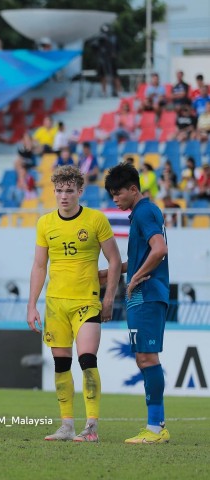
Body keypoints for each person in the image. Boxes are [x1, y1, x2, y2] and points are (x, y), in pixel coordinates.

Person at [27, 165, 121, 442]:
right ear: (53, 191)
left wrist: (109, 298)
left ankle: (91, 426)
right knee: (61, 365)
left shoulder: (96, 220)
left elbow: (114, 260)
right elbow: (39, 266)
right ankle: (66, 425)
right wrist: (32, 304)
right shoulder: (45, 223)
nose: (64, 196)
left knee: (87, 360)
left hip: (86, 302)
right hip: (56, 304)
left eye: (69, 191)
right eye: (59, 191)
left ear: (80, 191)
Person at [103, 163, 171, 444]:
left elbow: (159, 250)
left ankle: (155, 428)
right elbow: (145, 256)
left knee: (147, 358)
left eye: (118, 194)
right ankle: (156, 425)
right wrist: (111, 274)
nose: (115, 199)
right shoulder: (140, 214)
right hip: (143, 294)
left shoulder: (144, 212)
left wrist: (134, 279)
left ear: (133, 189)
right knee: (143, 358)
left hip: (147, 294)